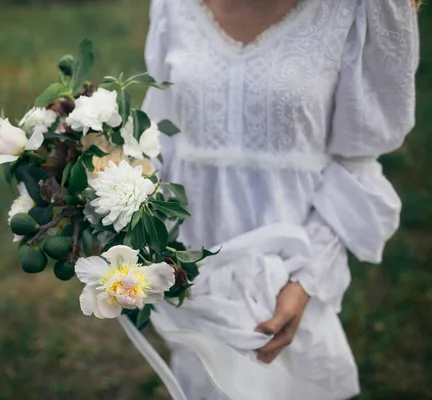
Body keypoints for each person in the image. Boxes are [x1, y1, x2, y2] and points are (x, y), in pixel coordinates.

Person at [140, 0, 419, 398]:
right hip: (196, 268)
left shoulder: (356, 9)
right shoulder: (173, 7)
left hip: (291, 272)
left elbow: (357, 161)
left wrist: (307, 279)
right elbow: (160, 134)